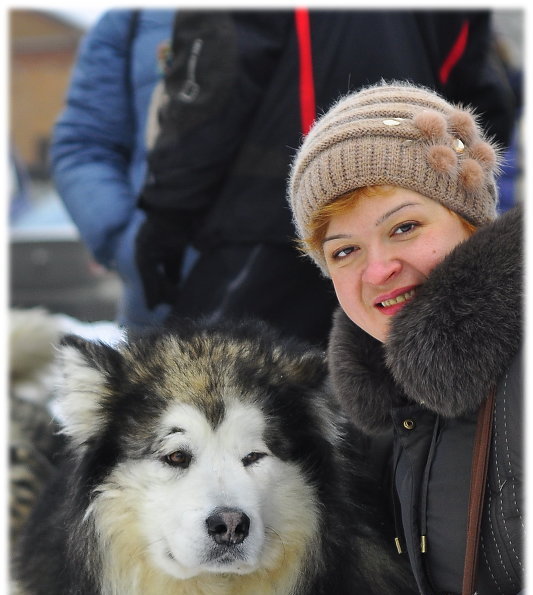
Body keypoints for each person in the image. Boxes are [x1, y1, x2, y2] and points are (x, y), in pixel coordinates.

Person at [288, 81, 523, 595]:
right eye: (342, 251)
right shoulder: (401, 406)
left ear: (468, 218)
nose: (378, 270)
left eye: (403, 227)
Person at [136, 9, 515, 348]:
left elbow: (211, 85)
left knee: (207, 390)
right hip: (419, 217)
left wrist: (167, 211)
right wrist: (449, 185)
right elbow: (483, 98)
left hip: (267, 223)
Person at [50, 9, 176, 330]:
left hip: (298, 286)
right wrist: (127, 242)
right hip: (162, 300)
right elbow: (83, 144)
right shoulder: (130, 20)